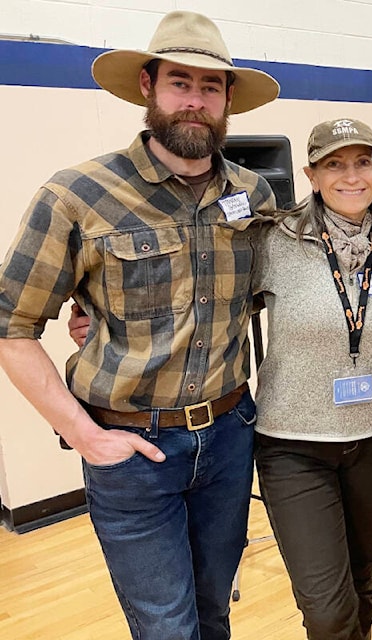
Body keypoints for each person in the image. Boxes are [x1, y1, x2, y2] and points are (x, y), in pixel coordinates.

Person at [0, 11, 280, 640]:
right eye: (181, 82)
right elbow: (10, 326)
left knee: (214, 614)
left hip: (230, 439)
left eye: (211, 87)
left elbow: (257, 299)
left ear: (229, 100)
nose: (195, 101)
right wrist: (83, 434)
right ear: (149, 86)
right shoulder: (77, 194)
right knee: (165, 626)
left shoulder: (255, 195)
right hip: (132, 452)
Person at [252, 118, 372, 640]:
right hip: (294, 443)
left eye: (363, 161)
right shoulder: (276, 241)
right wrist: (100, 313)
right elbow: (205, 297)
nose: (351, 176)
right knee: (324, 607)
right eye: (335, 164)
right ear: (311, 174)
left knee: (362, 581)